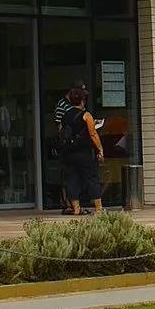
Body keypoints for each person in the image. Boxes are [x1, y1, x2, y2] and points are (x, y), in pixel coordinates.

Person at [54, 86, 105, 215]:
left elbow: (62, 131)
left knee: (72, 179)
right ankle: (98, 208)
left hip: (68, 153)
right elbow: (92, 134)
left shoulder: (65, 116)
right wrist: (100, 149)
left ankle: (76, 208)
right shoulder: (85, 115)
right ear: (82, 101)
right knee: (92, 178)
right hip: (83, 152)